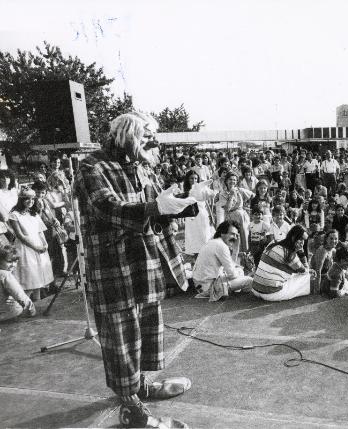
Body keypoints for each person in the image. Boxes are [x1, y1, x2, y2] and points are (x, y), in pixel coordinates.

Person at [74, 112, 194, 428]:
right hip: (113, 268)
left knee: (143, 329)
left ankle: (138, 387)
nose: (152, 144)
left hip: (143, 263)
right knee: (120, 336)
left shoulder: (139, 167)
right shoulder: (92, 167)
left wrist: (190, 200)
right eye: (148, 137)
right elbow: (107, 208)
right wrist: (157, 208)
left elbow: (158, 207)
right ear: (129, 135)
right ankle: (132, 412)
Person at [8, 188, 54, 302]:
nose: (30, 201)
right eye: (27, 199)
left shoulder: (33, 214)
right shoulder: (14, 215)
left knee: (38, 279)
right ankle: (25, 306)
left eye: (32, 199)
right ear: (21, 200)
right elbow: (20, 235)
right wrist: (35, 247)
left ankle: (37, 303)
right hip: (25, 248)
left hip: (38, 245)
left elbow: (40, 231)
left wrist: (45, 244)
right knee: (29, 279)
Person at [192, 221, 254, 300]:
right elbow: (232, 274)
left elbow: (232, 265)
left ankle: (233, 290)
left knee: (240, 271)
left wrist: (236, 248)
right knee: (250, 281)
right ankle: (239, 298)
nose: (234, 237)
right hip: (209, 287)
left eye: (236, 235)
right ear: (222, 233)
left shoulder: (213, 241)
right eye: (231, 234)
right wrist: (244, 276)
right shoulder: (221, 246)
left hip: (200, 284)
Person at [252, 225, 314, 301]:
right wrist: (301, 253)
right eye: (301, 239)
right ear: (293, 237)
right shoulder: (290, 254)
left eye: (304, 240)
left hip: (255, 289)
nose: (302, 243)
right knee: (306, 276)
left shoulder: (273, 243)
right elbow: (305, 271)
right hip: (271, 294)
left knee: (292, 273)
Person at [216, 171, 254, 252]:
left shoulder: (240, 190)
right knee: (233, 238)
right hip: (230, 217)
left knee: (245, 237)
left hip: (242, 216)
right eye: (230, 179)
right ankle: (235, 257)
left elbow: (252, 195)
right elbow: (227, 208)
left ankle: (246, 256)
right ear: (226, 181)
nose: (232, 181)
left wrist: (248, 205)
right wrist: (232, 195)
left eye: (234, 180)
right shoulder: (222, 194)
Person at [0, 244, 36, 323]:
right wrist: (31, 310)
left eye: (15, 261)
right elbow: (20, 295)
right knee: (17, 306)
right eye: (9, 262)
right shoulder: (5, 275)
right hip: (7, 314)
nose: (13, 265)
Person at [310, 230, 338, 294]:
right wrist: (317, 290)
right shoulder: (322, 251)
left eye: (336, 239)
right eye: (331, 238)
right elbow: (318, 271)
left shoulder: (333, 250)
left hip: (326, 275)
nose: (334, 241)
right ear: (326, 239)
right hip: (317, 278)